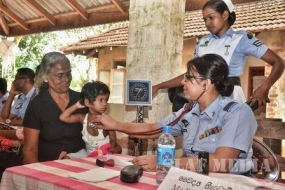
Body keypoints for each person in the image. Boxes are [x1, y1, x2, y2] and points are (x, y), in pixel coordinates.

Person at [91, 54, 257, 174]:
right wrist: (117, 125)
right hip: (195, 178)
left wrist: (165, 162)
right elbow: (154, 129)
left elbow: (222, 162)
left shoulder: (238, 113)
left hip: (230, 181)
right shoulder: (189, 111)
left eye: (188, 77)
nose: (183, 82)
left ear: (206, 84)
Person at [153, 0, 285, 108]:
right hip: (202, 98)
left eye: (211, 17)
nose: (207, 23)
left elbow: (278, 62)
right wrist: (159, 86)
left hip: (229, 97)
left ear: (225, 15)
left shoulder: (241, 39)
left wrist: (264, 87)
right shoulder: (202, 42)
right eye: (205, 19)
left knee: (227, 137)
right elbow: (190, 74)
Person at [22, 52, 88, 164]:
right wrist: (38, 175)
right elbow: (30, 150)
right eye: (60, 75)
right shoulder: (37, 105)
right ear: (46, 78)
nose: (66, 79)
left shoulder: (82, 101)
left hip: (82, 164)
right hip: (48, 166)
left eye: (69, 74)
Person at [59, 81, 122, 158]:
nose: (105, 104)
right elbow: (63, 117)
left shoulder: (108, 121)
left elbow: (113, 141)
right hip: (88, 154)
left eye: (106, 100)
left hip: (105, 154)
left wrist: (109, 151)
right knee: (66, 158)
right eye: (101, 100)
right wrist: (77, 105)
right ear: (87, 102)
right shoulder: (83, 119)